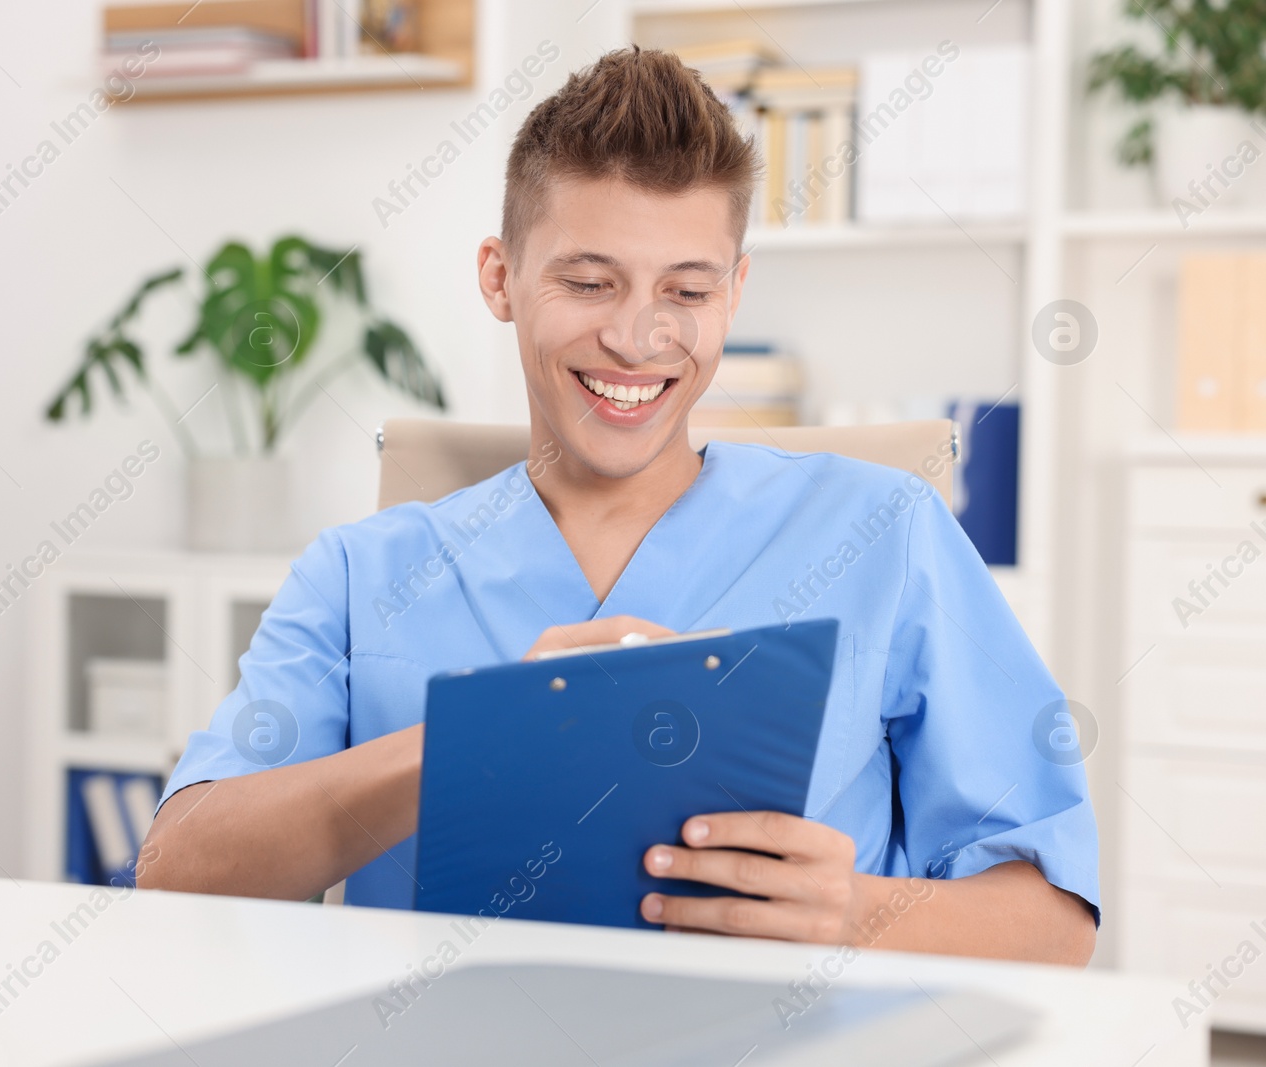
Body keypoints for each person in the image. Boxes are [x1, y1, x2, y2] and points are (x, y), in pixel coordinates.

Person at [140, 47, 1098, 963]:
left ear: (735, 293)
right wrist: (472, 742)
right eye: (590, 281)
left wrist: (854, 911)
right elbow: (176, 877)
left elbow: (1056, 923)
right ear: (500, 277)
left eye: (687, 288)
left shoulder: (883, 532)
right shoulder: (363, 573)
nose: (639, 338)